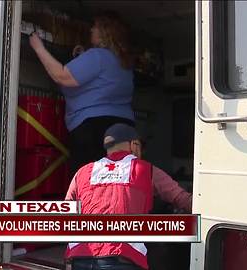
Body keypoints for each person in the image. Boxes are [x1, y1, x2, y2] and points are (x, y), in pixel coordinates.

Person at [64, 123, 192, 270]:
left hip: (80, 257)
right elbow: (182, 199)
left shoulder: (83, 172)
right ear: (134, 145)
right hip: (120, 257)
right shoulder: (144, 169)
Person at [30, 12, 135, 175]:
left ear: (104, 33)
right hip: (124, 127)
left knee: (88, 180)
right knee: (117, 179)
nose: (91, 30)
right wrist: (82, 57)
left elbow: (62, 76)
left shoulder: (98, 56)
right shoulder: (124, 64)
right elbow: (99, 82)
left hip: (95, 127)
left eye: (95, 27)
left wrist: (38, 47)